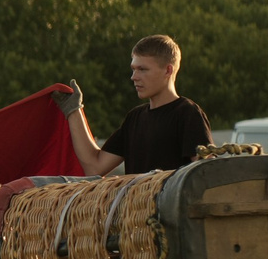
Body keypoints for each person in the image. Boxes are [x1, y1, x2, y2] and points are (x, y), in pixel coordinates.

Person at [56, 33, 212, 177]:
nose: (134, 77)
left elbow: (207, 176)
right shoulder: (134, 118)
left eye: (142, 69)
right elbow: (94, 167)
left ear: (168, 70)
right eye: (133, 69)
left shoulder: (188, 113)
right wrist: (74, 110)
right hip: (136, 200)